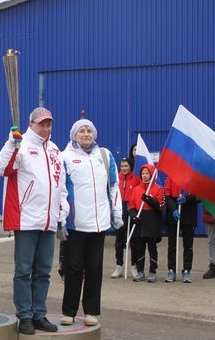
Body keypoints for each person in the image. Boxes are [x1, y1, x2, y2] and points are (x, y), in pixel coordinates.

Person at [0, 107, 69, 335]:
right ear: (31, 124)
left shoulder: (55, 149)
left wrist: (61, 211)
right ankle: (25, 316)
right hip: (26, 218)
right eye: (41, 124)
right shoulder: (21, 144)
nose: (45, 129)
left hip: (48, 220)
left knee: (44, 271)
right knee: (24, 271)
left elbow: (60, 185)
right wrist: (11, 144)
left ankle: (39, 314)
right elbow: (1, 168)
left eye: (48, 124)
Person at [59, 118, 123, 327]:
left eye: (89, 131)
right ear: (74, 135)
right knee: (73, 267)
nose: (86, 134)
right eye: (81, 131)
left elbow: (113, 186)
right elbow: (61, 190)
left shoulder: (105, 156)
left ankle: (91, 311)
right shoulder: (64, 157)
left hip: (99, 223)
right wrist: (61, 217)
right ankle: (69, 311)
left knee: (94, 267)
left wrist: (117, 213)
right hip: (74, 223)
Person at [128, 164, 164, 283]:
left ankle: (153, 271)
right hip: (140, 222)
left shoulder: (158, 189)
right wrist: (133, 216)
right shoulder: (136, 189)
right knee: (139, 248)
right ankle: (140, 271)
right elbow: (131, 206)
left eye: (147, 173)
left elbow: (160, 206)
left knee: (152, 248)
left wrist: (148, 199)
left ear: (152, 174)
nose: (144, 175)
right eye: (143, 173)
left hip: (152, 222)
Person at [163, 177, 199, 283]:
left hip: (189, 213)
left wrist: (187, 199)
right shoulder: (171, 176)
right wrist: (173, 209)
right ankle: (171, 270)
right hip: (173, 213)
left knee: (188, 245)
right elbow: (167, 195)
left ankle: (187, 270)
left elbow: (199, 197)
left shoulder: (194, 177)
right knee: (172, 244)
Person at [111, 157, 140, 278]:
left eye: (126, 166)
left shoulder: (136, 178)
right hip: (119, 208)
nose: (123, 168)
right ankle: (119, 266)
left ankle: (134, 265)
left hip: (131, 208)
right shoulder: (116, 177)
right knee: (119, 239)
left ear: (131, 166)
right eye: (122, 166)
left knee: (133, 239)